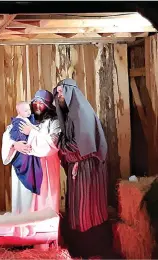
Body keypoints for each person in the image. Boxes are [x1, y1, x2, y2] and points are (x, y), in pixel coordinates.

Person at [53, 78, 110, 257]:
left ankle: (92, 249)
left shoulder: (81, 111)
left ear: (72, 92)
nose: (59, 95)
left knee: (88, 209)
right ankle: (82, 248)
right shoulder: (71, 114)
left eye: (62, 91)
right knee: (79, 209)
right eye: (57, 92)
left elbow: (81, 147)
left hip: (88, 168)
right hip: (78, 168)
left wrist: (60, 145)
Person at [1, 90, 61, 214]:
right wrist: (14, 145)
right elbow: (9, 133)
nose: (37, 106)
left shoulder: (54, 122)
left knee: (44, 200)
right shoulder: (26, 117)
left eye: (42, 103)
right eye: (35, 103)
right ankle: (24, 227)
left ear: (48, 105)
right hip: (24, 164)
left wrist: (31, 133)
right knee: (25, 200)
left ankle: (44, 228)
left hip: (45, 167)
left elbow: (53, 143)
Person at [8, 101, 43, 196]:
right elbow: (11, 137)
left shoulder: (30, 120)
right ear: (19, 112)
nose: (28, 112)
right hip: (22, 155)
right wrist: (15, 144)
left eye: (29, 110)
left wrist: (32, 131)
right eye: (26, 111)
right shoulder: (17, 123)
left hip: (31, 153)